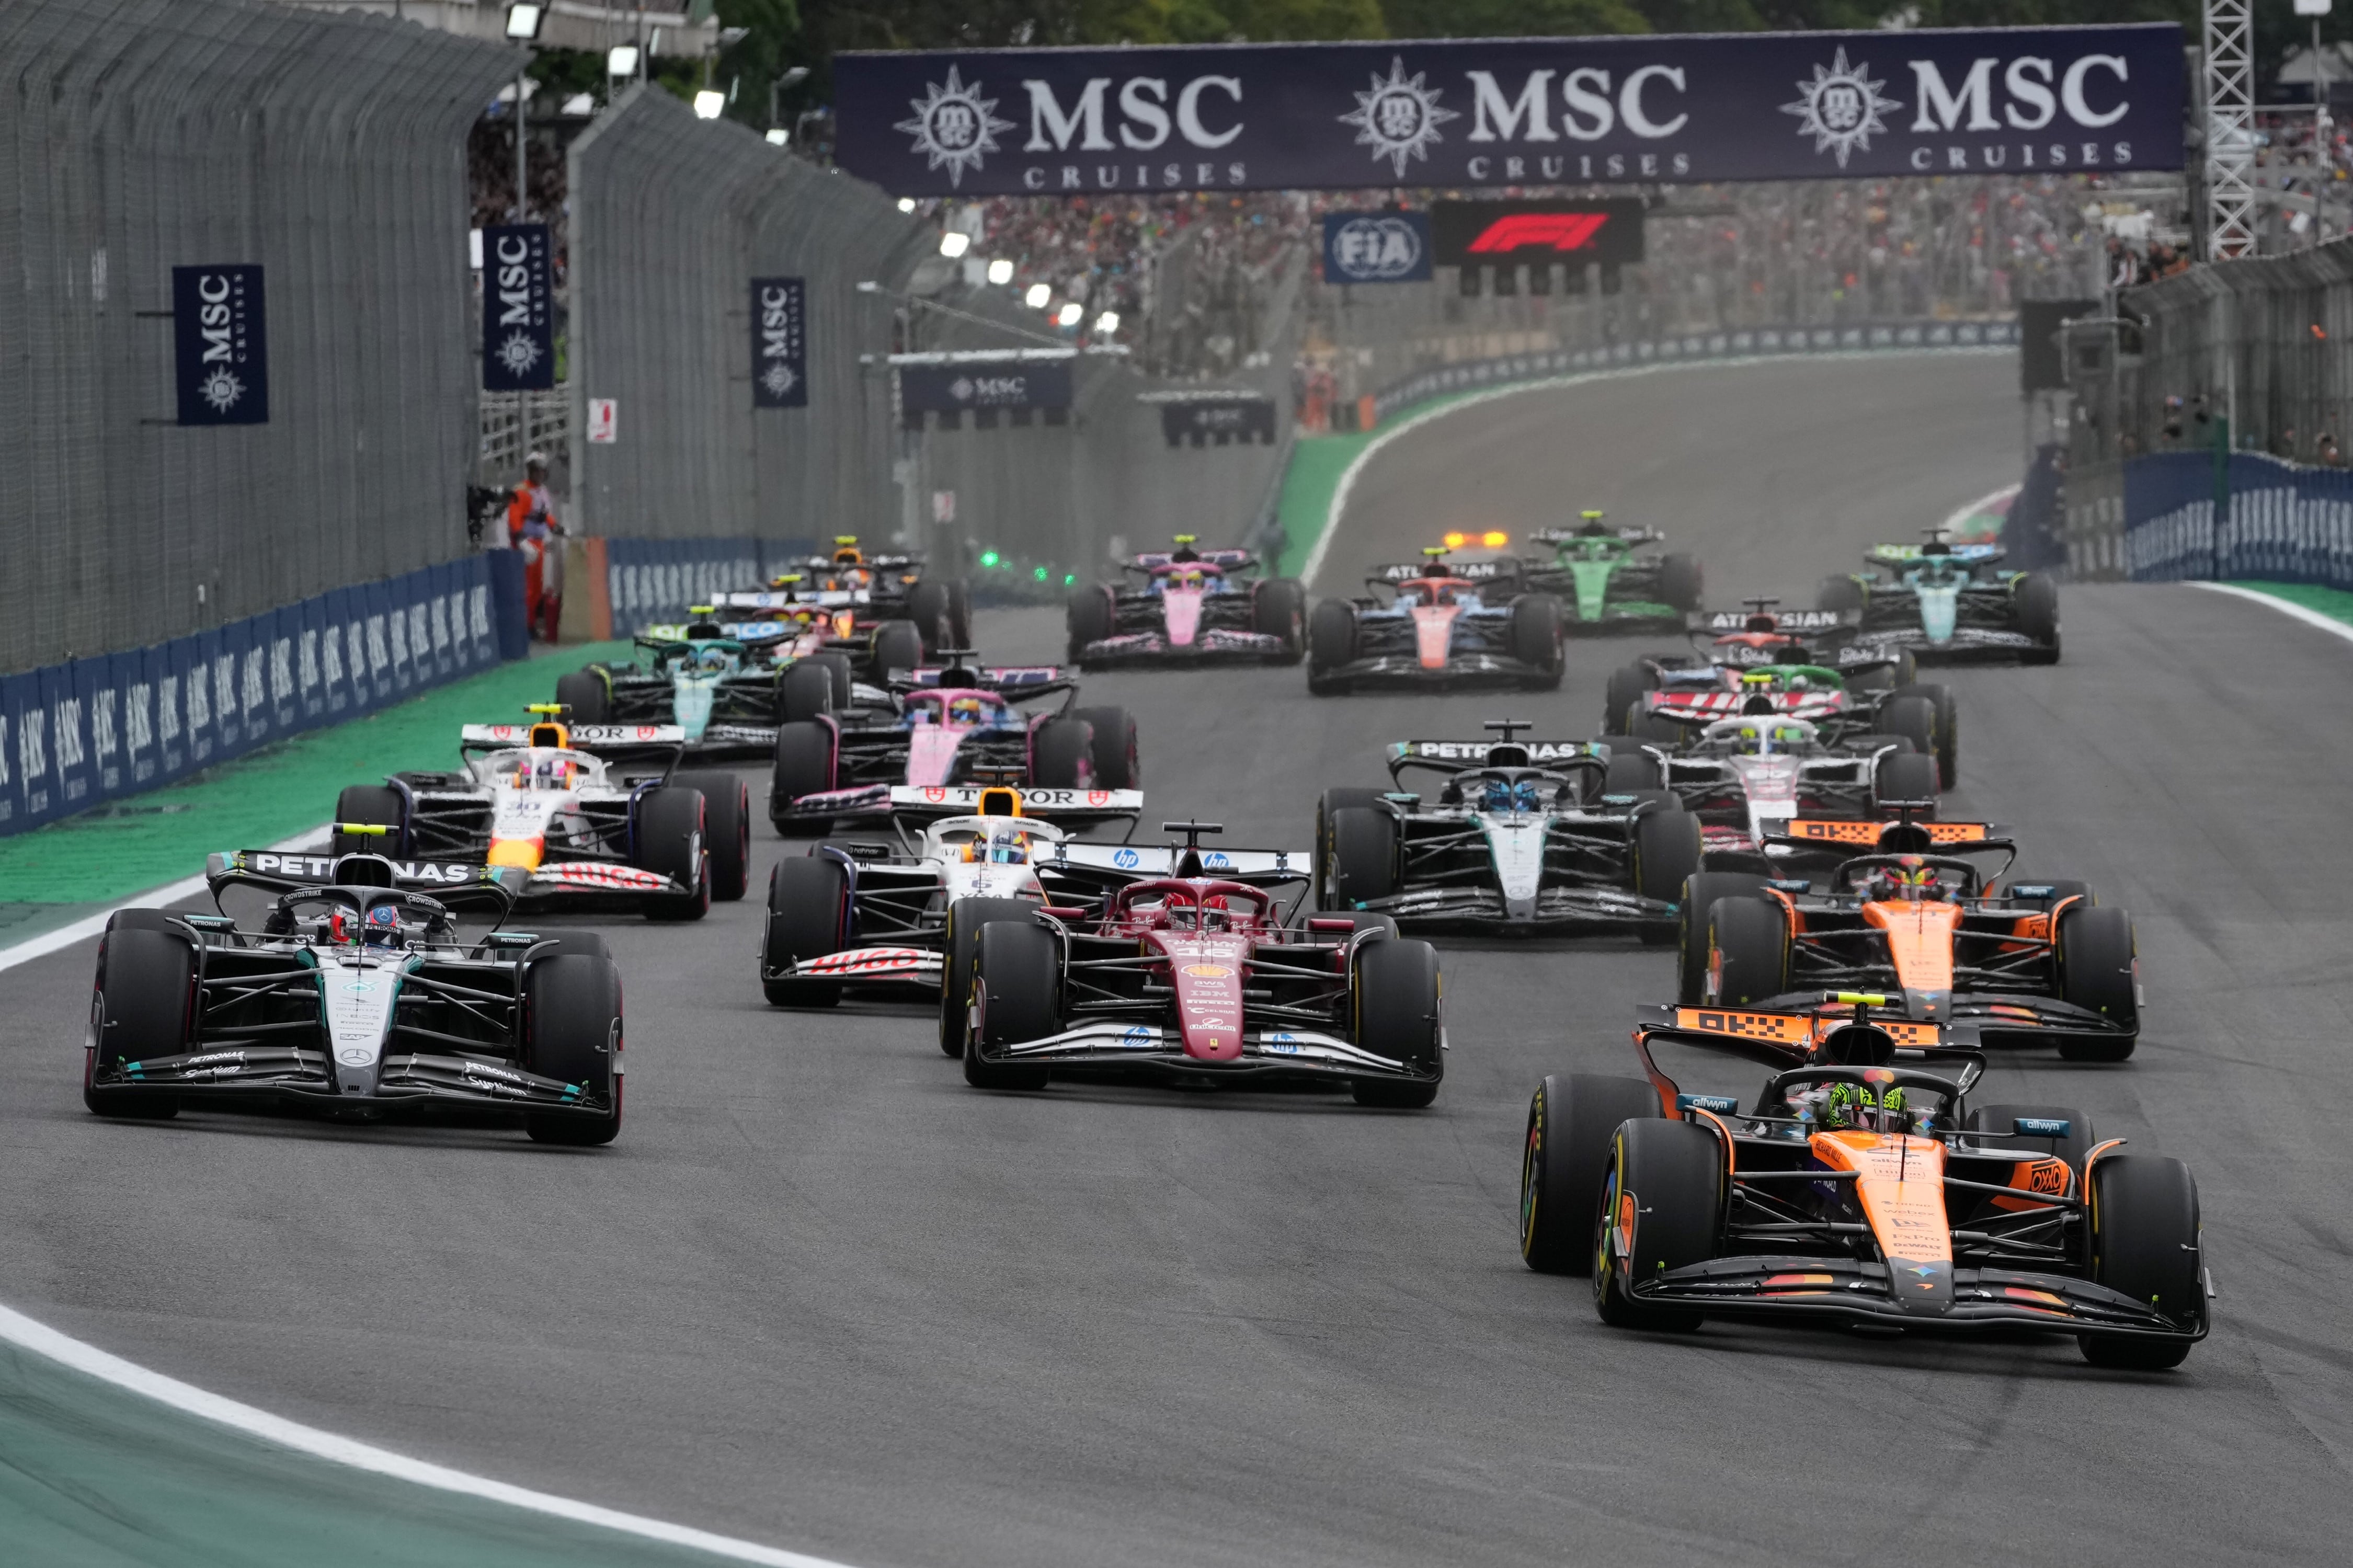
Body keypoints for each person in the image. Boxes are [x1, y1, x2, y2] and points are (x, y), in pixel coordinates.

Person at [507, 452, 565, 642]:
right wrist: (521, 540)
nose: (539, 475)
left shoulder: (542, 491)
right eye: (536, 471)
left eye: (542, 471)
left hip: (539, 542)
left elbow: (544, 514)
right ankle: (525, 626)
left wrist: (556, 527)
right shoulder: (522, 491)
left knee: (538, 587)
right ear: (530, 472)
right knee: (527, 588)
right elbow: (515, 518)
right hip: (526, 544)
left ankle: (531, 624)